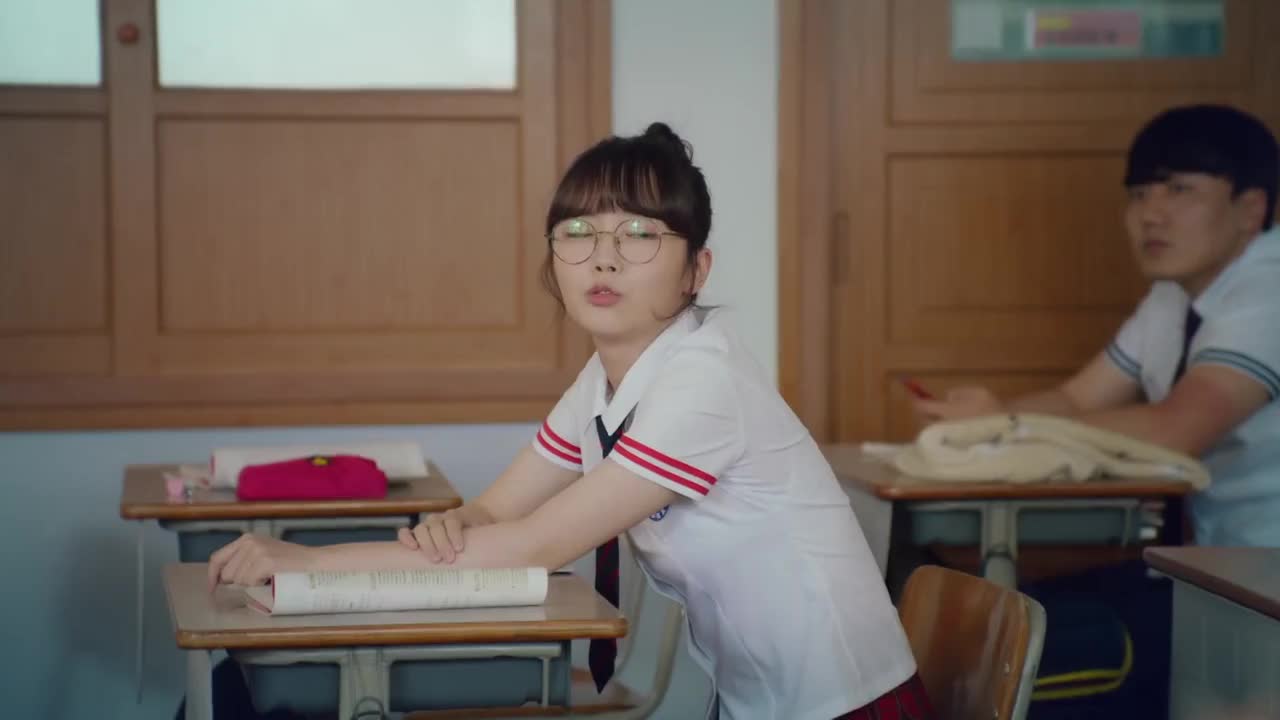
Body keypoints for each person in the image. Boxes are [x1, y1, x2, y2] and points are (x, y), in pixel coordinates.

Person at [209, 123, 934, 720]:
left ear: (696, 270)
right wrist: (452, 526)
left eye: (640, 235)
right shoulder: (604, 380)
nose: (603, 259)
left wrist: (310, 563)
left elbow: (529, 544)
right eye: (578, 231)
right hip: (761, 701)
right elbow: (498, 509)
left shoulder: (705, 381)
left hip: (850, 705)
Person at [915, 104, 1280, 548]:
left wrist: (1005, 426)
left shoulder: (1269, 290)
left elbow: (1177, 430)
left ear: (1251, 209)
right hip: (1215, 558)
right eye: (1139, 194)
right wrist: (986, 418)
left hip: (1262, 565)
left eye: (1180, 190)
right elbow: (1076, 399)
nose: (1150, 214)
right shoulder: (1172, 293)